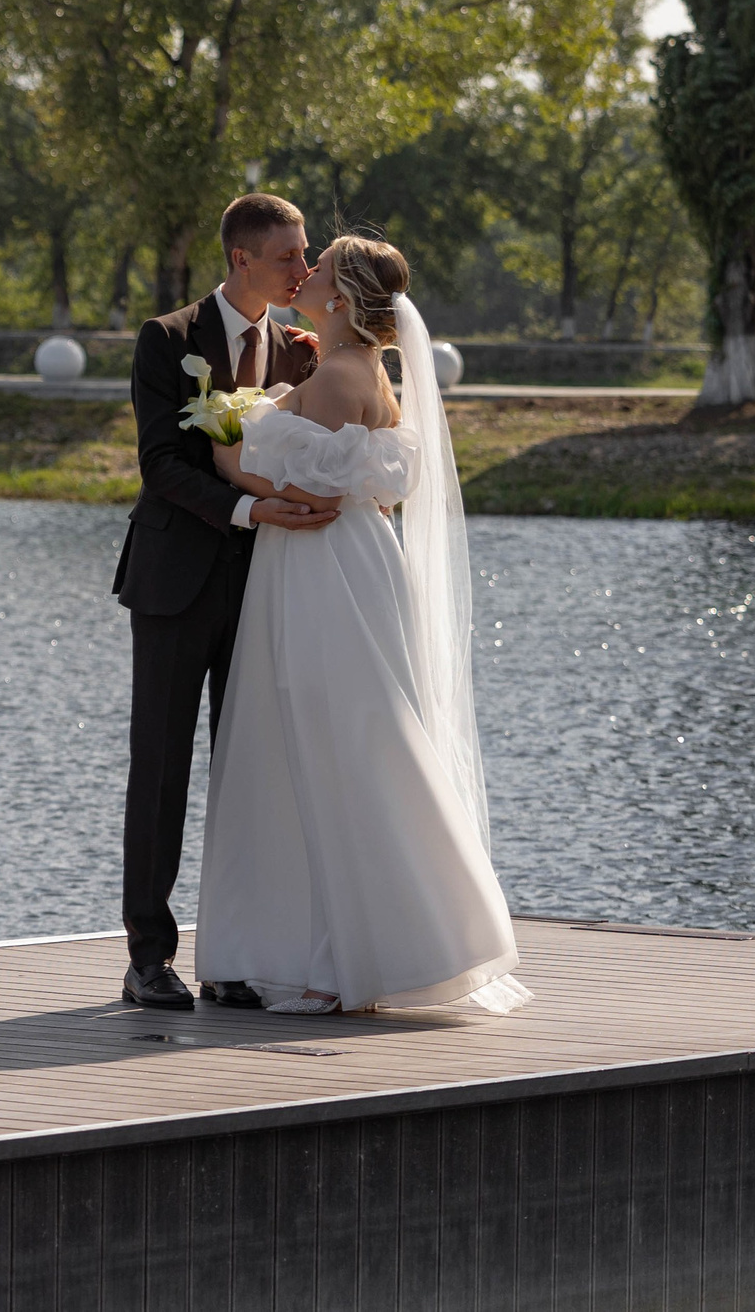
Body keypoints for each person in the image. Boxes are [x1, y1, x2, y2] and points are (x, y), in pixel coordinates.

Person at [194, 235, 529, 1015]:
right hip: (349, 563)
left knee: (334, 748)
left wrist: (225, 455)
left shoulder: (341, 377)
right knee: (349, 740)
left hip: (322, 570)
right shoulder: (363, 370)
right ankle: (342, 950)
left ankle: (349, 961)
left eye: (318, 267)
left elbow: (306, 492)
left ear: (340, 298)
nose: (303, 274)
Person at [110, 192, 329, 1012]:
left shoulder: (298, 352)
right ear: (241, 258)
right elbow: (161, 463)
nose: (302, 270)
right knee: (161, 772)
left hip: (266, 586)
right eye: (287, 257)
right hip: (174, 584)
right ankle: (147, 959)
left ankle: (233, 954)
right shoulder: (167, 340)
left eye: (305, 256)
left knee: (249, 774)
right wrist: (246, 509)